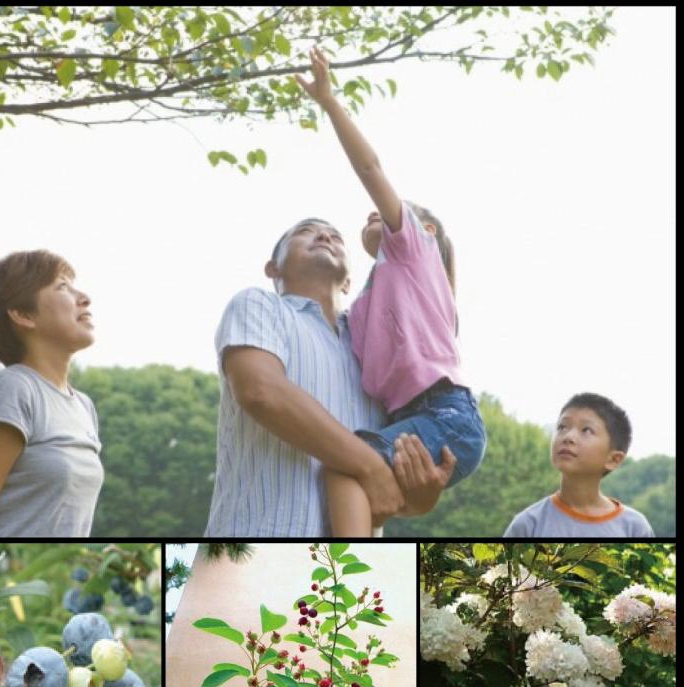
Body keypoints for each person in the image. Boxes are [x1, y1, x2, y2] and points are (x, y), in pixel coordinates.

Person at [295, 47, 487, 535]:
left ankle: (345, 583)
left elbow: (371, 170)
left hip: (446, 416)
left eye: (394, 212)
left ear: (423, 231)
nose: (372, 214)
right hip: (410, 419)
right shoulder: (361, 309)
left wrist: (329, 102)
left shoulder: (412, 253)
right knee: (355, 493)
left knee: (344, 467)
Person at [204, 214, 458, 537]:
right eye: (306, 232)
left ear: (350, 281)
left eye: (336, 237)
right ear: (273, 268)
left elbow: (389, 481)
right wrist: (368, 465)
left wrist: (417, 498)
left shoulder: (375, 352)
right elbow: (261, 390)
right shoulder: (258, 305)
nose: (324, 237)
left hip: (348, 573)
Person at [0, 250, 103, 537]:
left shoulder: (84, 406)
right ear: (23, 315)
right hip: (1, 576)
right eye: (62, 286)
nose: (84, 297)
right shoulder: (13, 390)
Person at [504, 392, 654, 537]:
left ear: (613, 459)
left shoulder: (634, 528)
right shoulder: (528, 525)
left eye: (586, 430)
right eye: (562, 427)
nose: (568, 437)